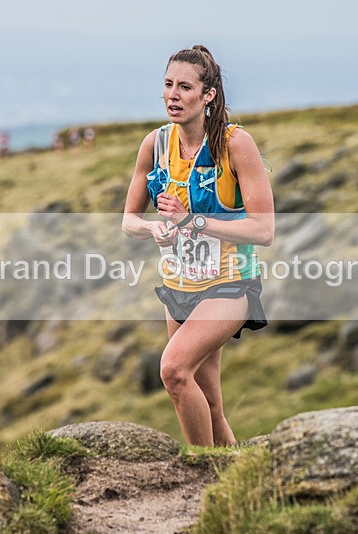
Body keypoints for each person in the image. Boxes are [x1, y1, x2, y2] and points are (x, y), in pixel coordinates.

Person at [122, 45, 274, 446]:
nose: (173, 94)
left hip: (229, 284)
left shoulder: (235, 144)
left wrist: (194, 221)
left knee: (173, 370)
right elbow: (129, 221)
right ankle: (235, 487)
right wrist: (156, 230)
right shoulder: (154, 145)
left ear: (208, 96)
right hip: (179, 286)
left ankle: (200, 477)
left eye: (185, 87)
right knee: (210, 404)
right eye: (168, 85)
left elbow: (264, 230)